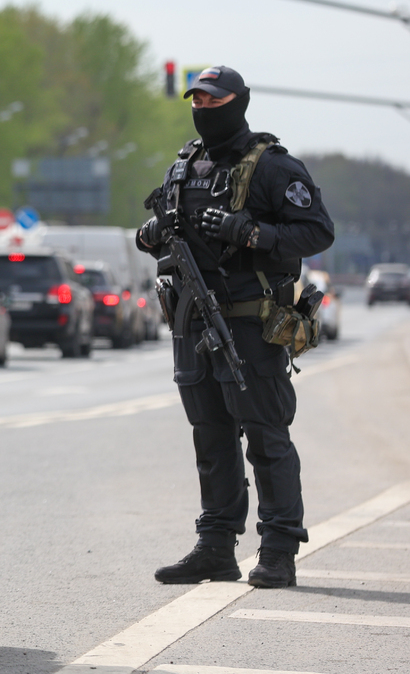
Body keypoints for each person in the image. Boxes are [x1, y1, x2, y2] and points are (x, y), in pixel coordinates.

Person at [136, 65, 334, 589]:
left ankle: (278, 551)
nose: (203, 110)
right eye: (196, 101)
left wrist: (250, 233)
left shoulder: (272, 167)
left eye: (213, 101)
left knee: (266, 438)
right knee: (212, 438)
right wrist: (153, 233)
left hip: (249, 325)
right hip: (191, 321)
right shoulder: (185, 167)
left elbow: (317, 231)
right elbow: (153, 234)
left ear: (239, 103)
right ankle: (216, 548)